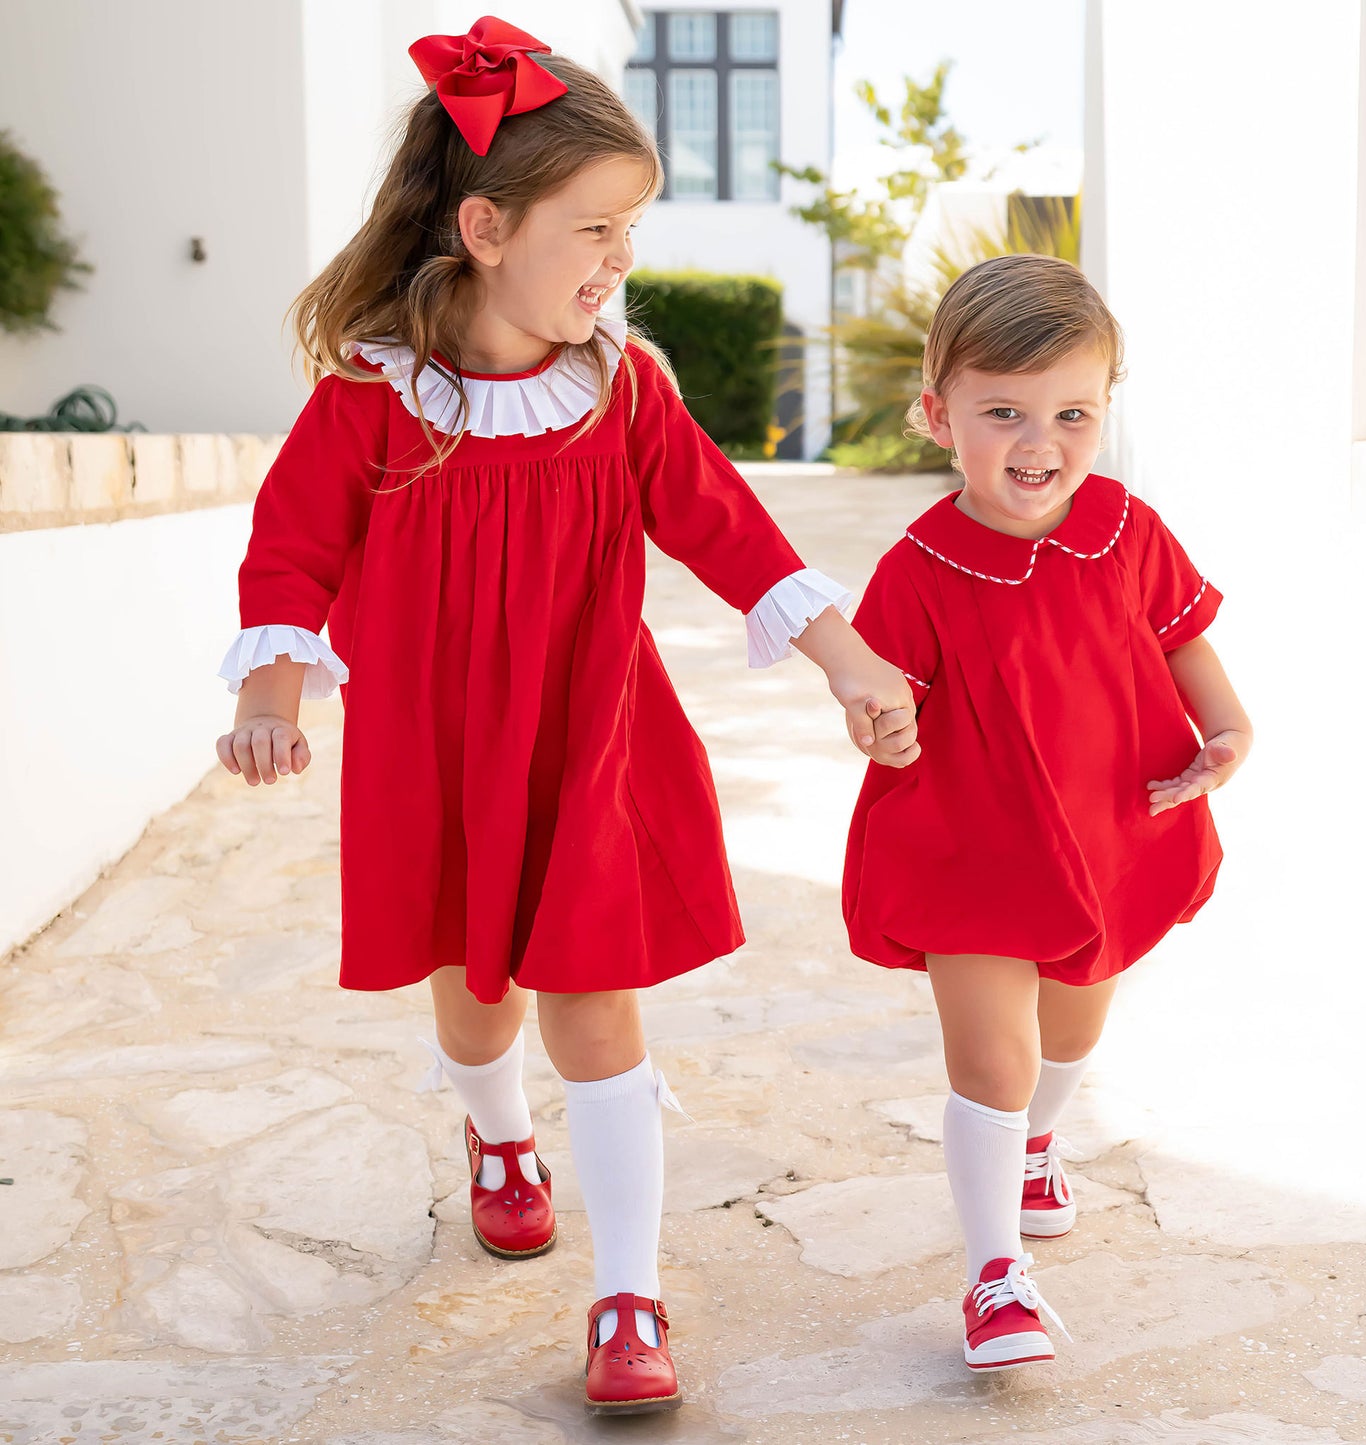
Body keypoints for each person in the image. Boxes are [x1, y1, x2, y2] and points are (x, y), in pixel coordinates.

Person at [214, 16, 918, 1415]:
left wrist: (846, 656)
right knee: (478, 1007)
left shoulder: (619, 389)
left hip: (590, 736)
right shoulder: (374, 396)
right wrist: (270, 688)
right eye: (593, 228)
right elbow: (291, 546)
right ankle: (496, 1139)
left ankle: (628, 1295)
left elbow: (731, 530)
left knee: (598, 1008)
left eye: (629, 233)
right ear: (483, 226)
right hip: (438, 746)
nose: (619, 262)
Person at [843, 254, 1251, 1372]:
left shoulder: (1124, 528)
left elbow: (1179, 640)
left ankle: (1035, 1143)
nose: (1039, 442)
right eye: (1003, 412)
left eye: (1071, 412)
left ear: (1104, 410)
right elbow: (881, 697)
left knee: (1070, 1027)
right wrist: (879, 726)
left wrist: (1226, 731)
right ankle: (992, 1276)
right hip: (967, 841)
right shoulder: (916, 567)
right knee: (990, 1056)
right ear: (937, 414)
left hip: (1100, 829)